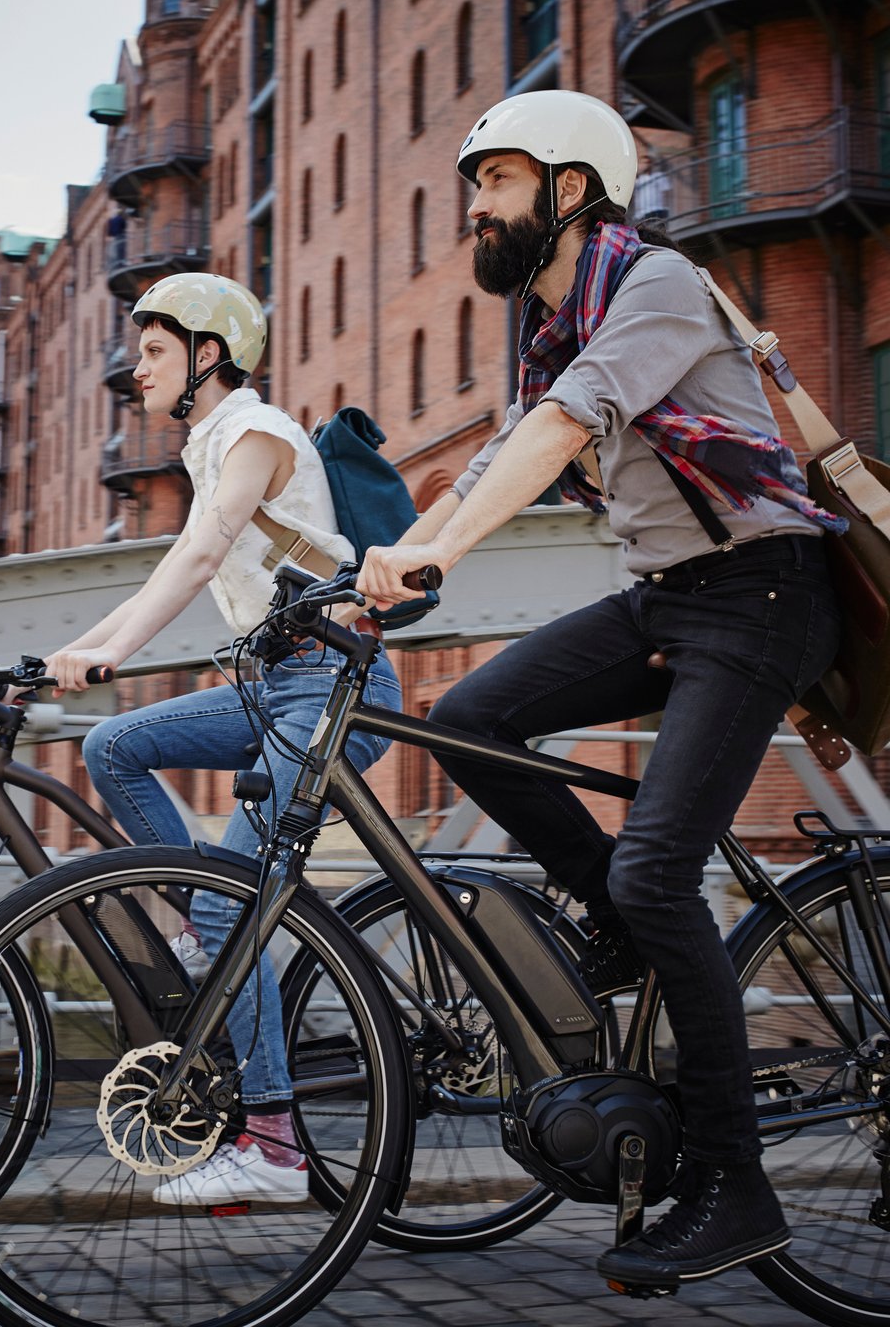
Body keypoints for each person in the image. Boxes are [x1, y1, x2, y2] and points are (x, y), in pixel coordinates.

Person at [355, 90, 842, 1287]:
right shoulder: (555, 317)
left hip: (763, 589)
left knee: (657, 861)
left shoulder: (657, 288)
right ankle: (622, 924)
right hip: (672, 596)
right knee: (468, 717)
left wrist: (440, 557)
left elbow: (565, 429)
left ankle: (735, 1185)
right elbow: (492, 452)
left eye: (498, 182)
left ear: (572, 190)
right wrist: (379, 564)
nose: (475, 206)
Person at [47, 271, 402, 1205]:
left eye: (157, 351)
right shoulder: (213, 443)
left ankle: (277, 1147)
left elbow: (198, 555)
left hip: (329, 690)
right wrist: (74, 652)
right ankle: (207, 929)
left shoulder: (254, 433)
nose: (139, 369)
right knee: (112, 748)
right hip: (275, 684)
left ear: (211, 356)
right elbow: (183, 559)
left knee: (227, 905)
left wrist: (111, 650)